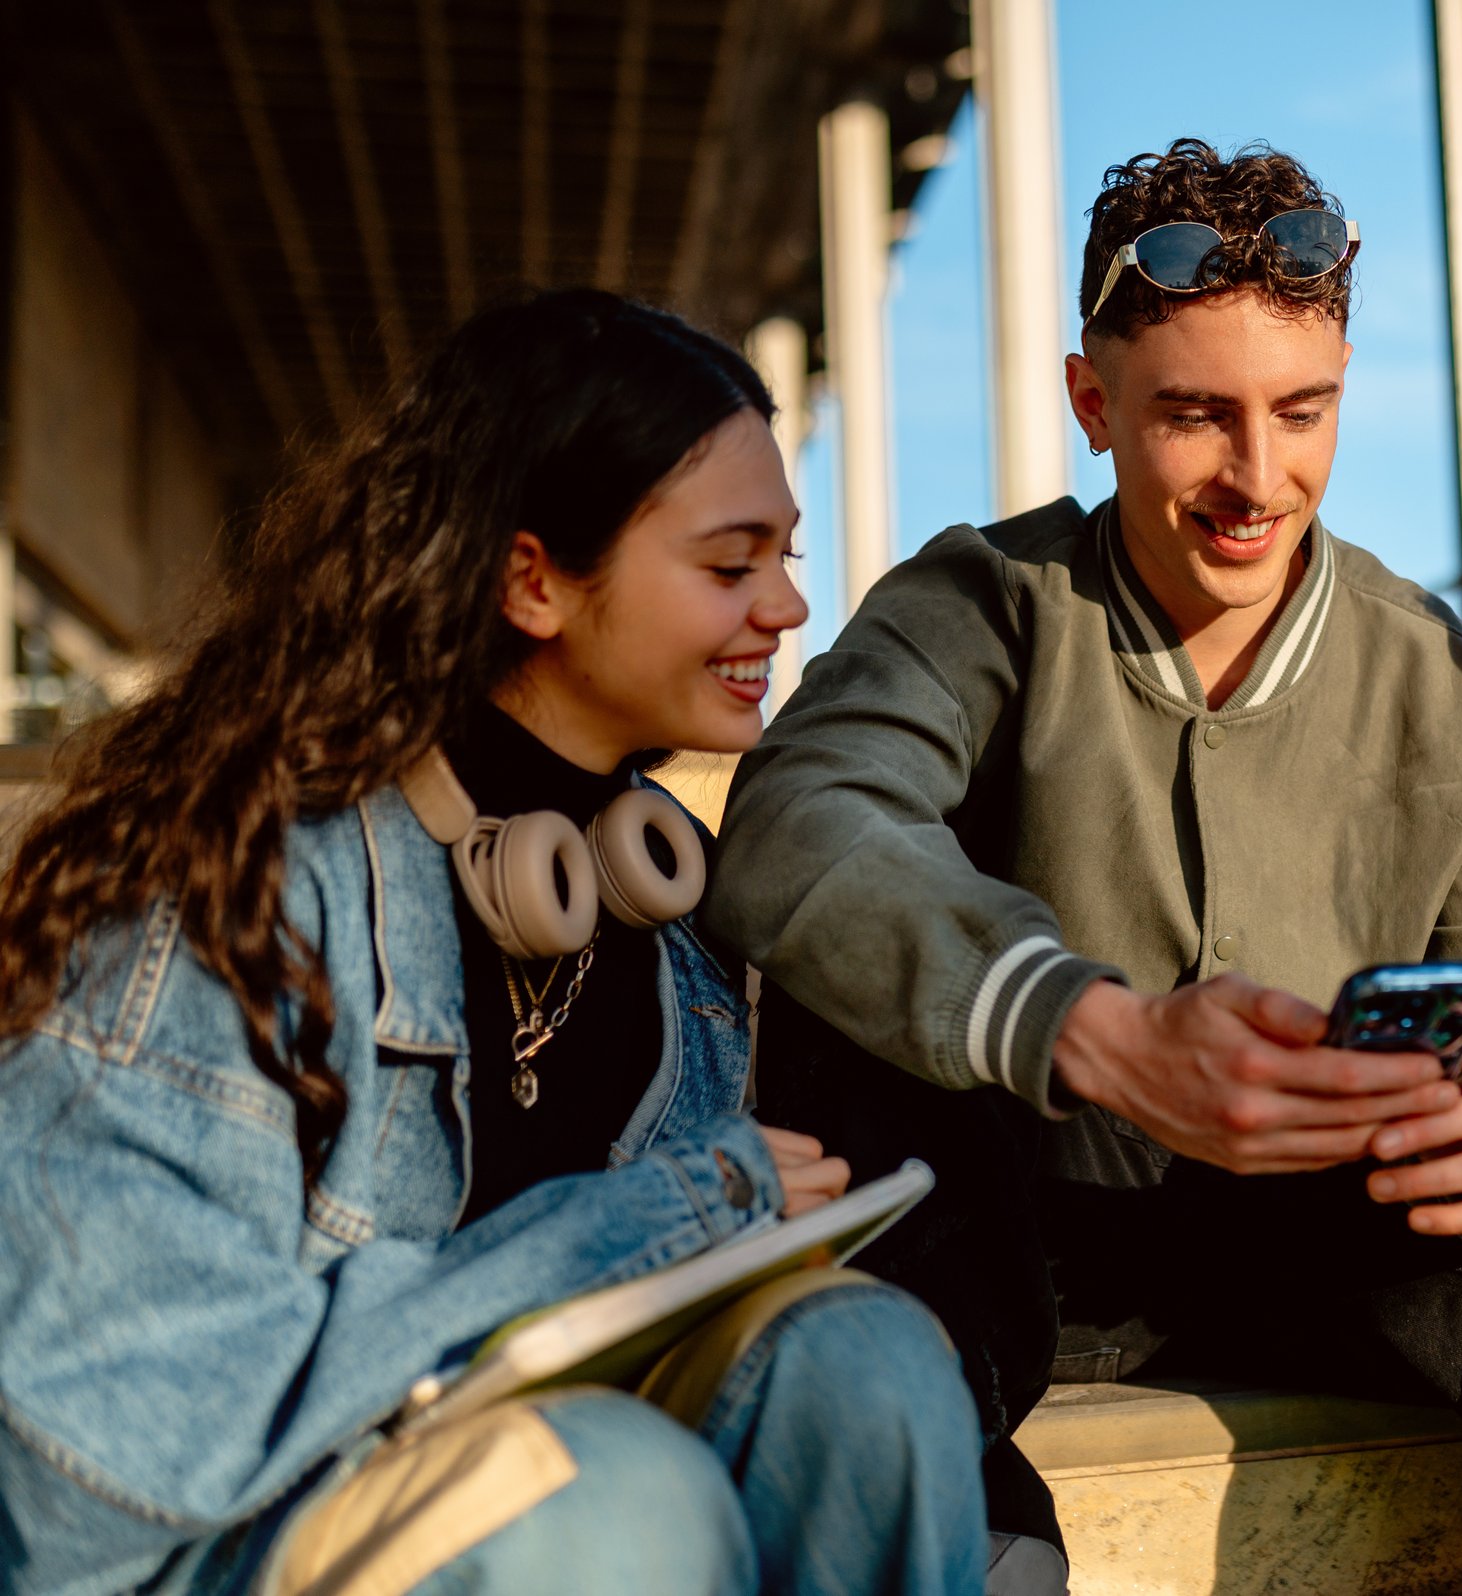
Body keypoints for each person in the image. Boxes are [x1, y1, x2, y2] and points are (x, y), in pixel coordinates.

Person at [707, 139, 1462, 1594]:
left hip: (1347, 1233)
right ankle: (980, 1551)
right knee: (853, 1032)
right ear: (1091, 403)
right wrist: (1087, 1027)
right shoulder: (977, 602)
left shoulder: (1452, 681)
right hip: (1022, 1230)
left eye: (1303, 412)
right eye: (1195, 416)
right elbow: (801, 823)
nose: (1258, 477)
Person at [0, 290, 985, 1596]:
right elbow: (96, 1470)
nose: (789, 609)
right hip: (225, 1549)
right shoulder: (230, 894)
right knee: (619, 1501)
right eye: (731, 564)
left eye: (787, 559)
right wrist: (644, 1220)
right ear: (534, 581)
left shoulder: (666, 940)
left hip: (545, 1493)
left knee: (868, 1370)